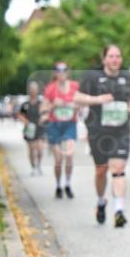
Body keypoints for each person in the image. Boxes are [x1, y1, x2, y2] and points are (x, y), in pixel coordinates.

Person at [75, 46, 130, 227]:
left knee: (118, 168)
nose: (115, 59)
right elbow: (76, 98)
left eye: (118, 56)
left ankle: (119, 210)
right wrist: (98, 99)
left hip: (121, 131)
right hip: (98, 131)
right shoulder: (92, 77)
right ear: (104, 59)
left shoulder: (128, 78)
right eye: (111, 56)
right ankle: (101, 201)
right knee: (101, 170)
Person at [42, 62, 80, 198]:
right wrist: (53, 105)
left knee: (69, 155)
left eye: (64, 70)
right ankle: (58, 185)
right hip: (54, 125)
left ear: (68, 72)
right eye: (59, 70)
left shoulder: (75, 86)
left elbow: (82, 104)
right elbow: (43, 109)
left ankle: (67, 184)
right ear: (55, 73)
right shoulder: (50, 88)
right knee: (58, 159)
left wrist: (76, 106)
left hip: (70, 124)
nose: (61, 73)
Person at [17, 81, 46, 175]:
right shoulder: (26, 104)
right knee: (31, 150)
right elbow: (20, 115)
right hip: (29, 129)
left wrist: (44, 118)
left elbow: (46, 113)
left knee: (40, 149)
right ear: (29, 90)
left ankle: (39, 165)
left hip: (40, 128)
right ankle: (33, 167)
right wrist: (24, 121)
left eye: (35, 89)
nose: (33, 91)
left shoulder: (40, 103)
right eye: (31, 89)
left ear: (37, 90)